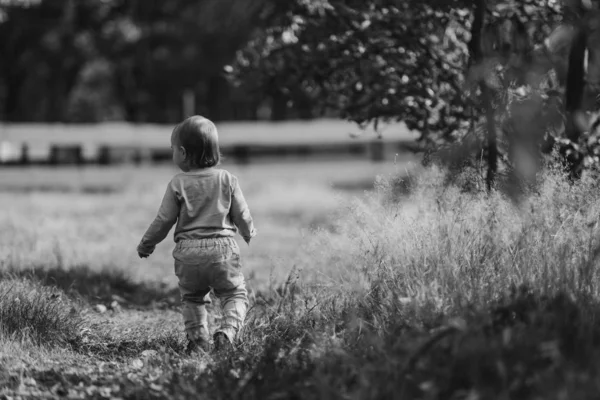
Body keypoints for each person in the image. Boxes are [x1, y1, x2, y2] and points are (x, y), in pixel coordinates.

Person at [137, 115, 256, 355]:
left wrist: (146, 244)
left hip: (188, 253)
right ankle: (228, 331)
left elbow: (164, 220)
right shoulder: (227, 179)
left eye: (172, 150)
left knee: (192, 298)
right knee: (235, 294)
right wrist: (248, 231)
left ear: (182, 152)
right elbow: (241, 213)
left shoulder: (177, 183)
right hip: (223, 251)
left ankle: (199, 341)